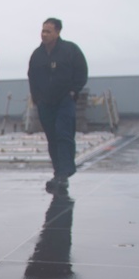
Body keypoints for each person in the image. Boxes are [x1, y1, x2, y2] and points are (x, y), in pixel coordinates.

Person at [27, 17, 88, 192]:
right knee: (52, 137)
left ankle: (64, 172)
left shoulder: (70, 50)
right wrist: (36, 97)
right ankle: (58, 172)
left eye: (48, 31)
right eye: (43, 31)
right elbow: (32, 76)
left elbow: (81, 71)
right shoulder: (37, 55)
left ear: (58, 32)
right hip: (45, 102)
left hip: (64, 100)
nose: (44, 34)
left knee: (64, 134)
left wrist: (73, 91)